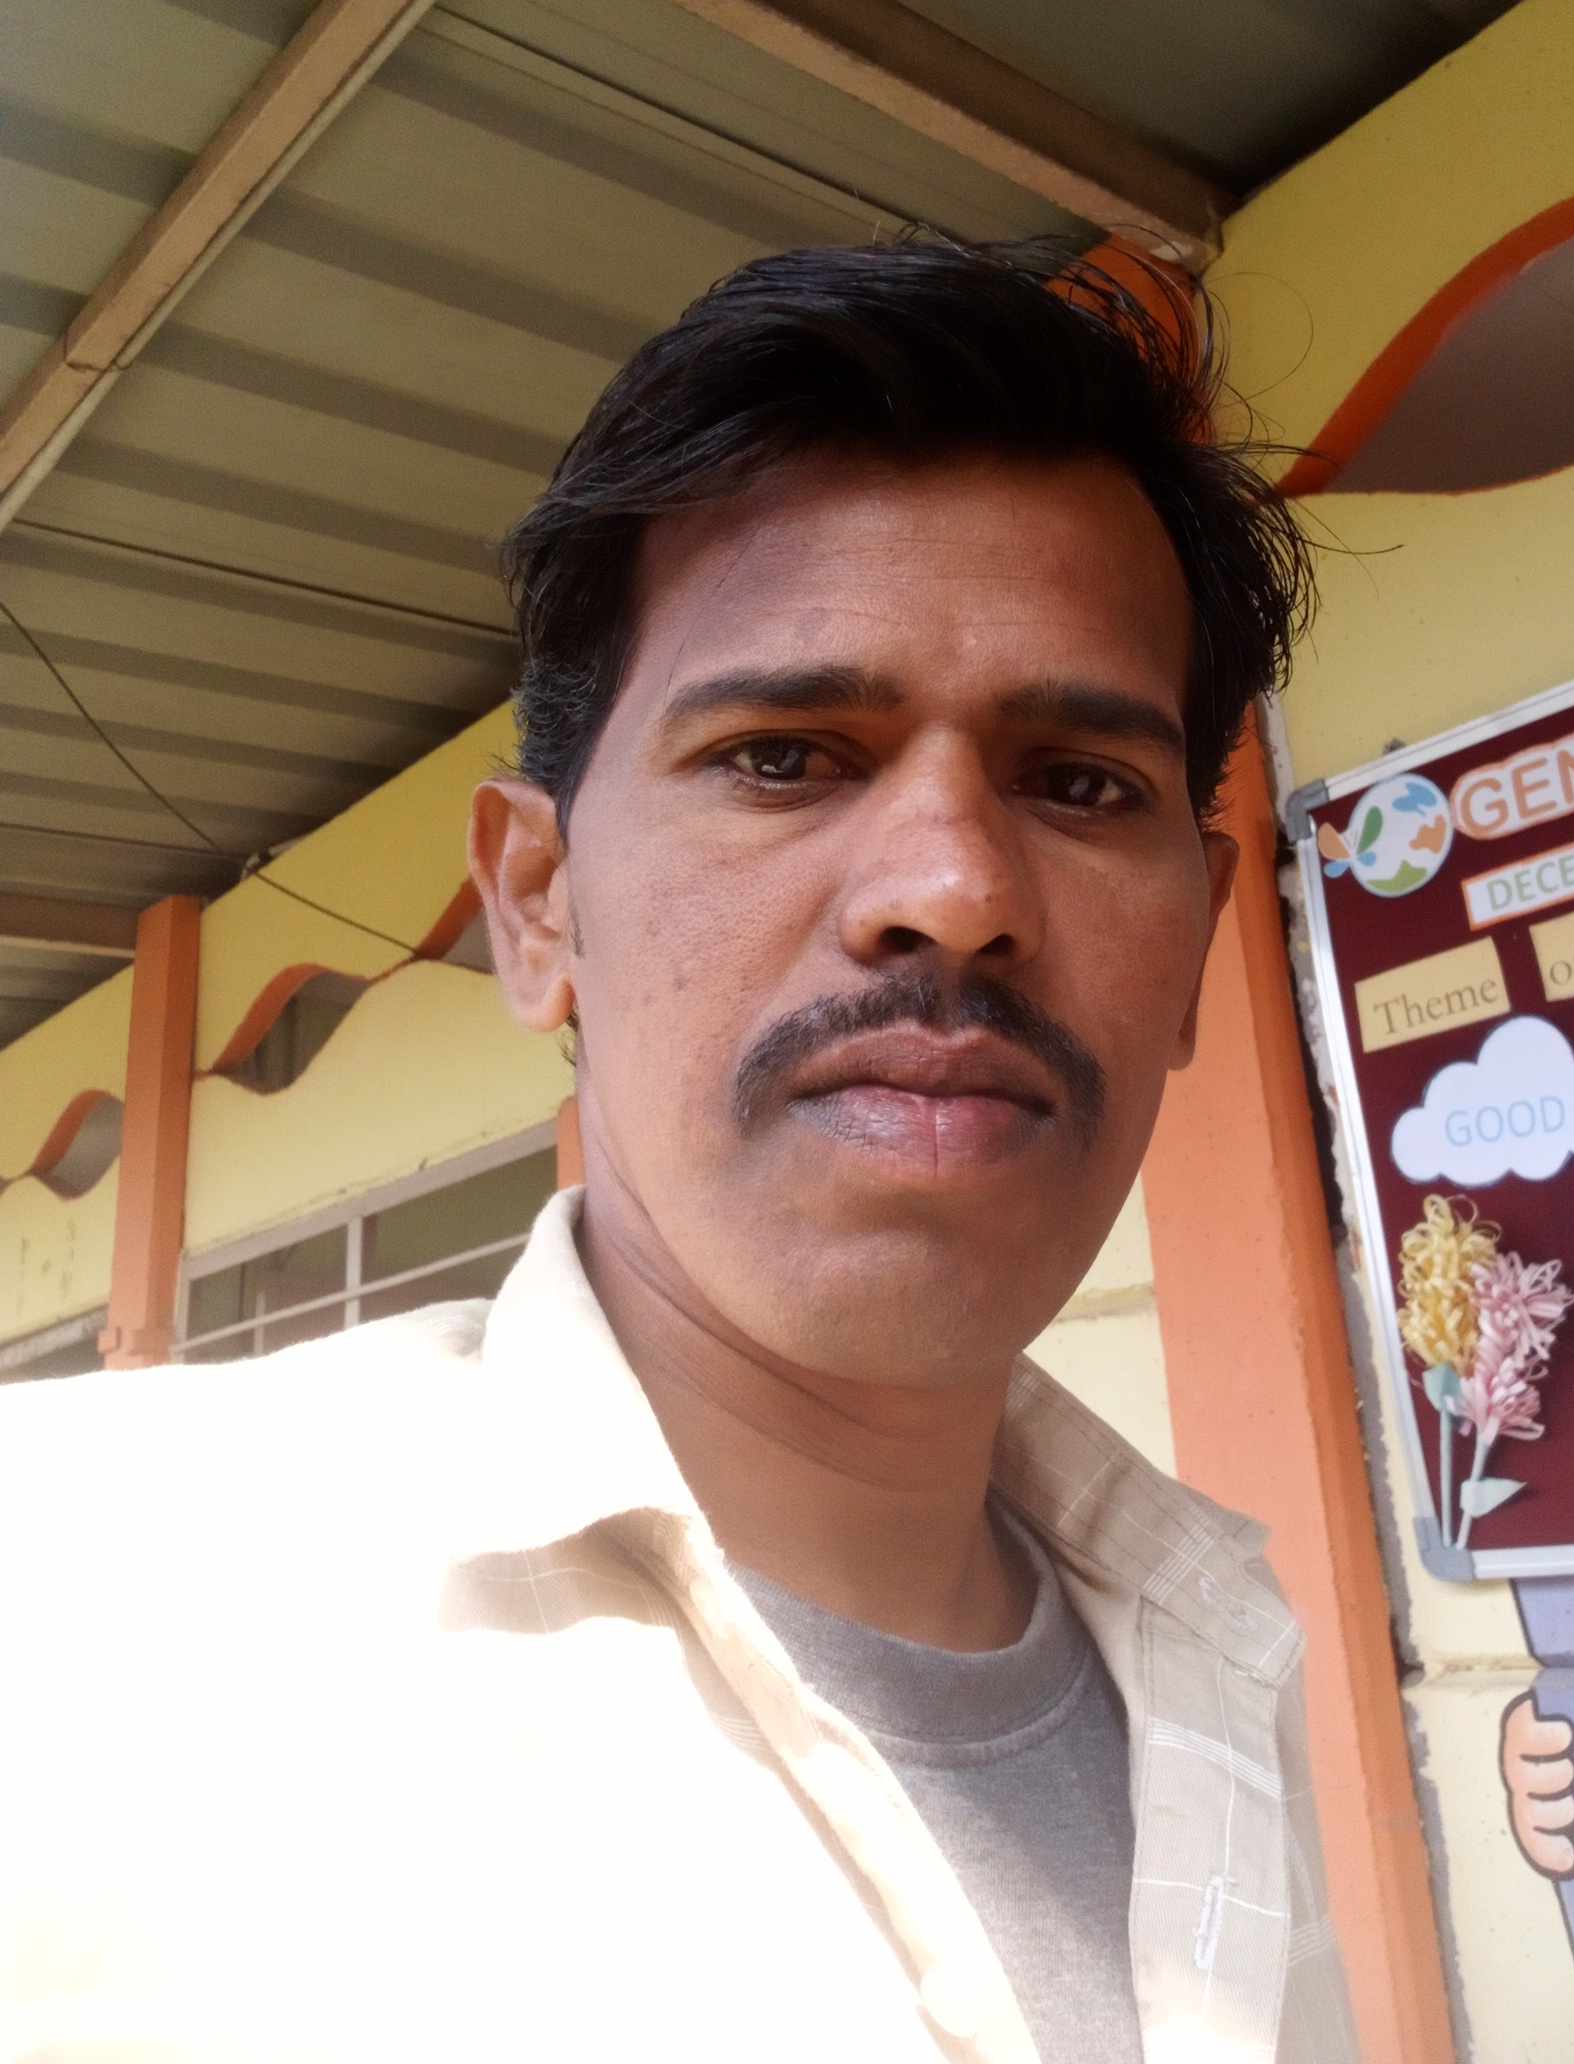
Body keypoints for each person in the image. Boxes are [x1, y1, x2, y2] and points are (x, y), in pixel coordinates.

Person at [0, 235, 1354, 2062]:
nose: (954, 891)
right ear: (538, 905)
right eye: (788, 756)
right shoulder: (76, 1608)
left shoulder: (1223, 1670)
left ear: (1196, 944)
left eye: (1078, 783)